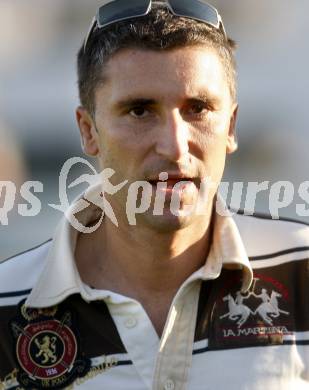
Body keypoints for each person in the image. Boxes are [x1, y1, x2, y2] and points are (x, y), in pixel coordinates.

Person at [0, 1, 308, 389]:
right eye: (140, 111)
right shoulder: (6, 306)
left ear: (231, 126)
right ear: (88, 130)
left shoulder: (302, 275)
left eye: (198, 108)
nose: (174, 146)